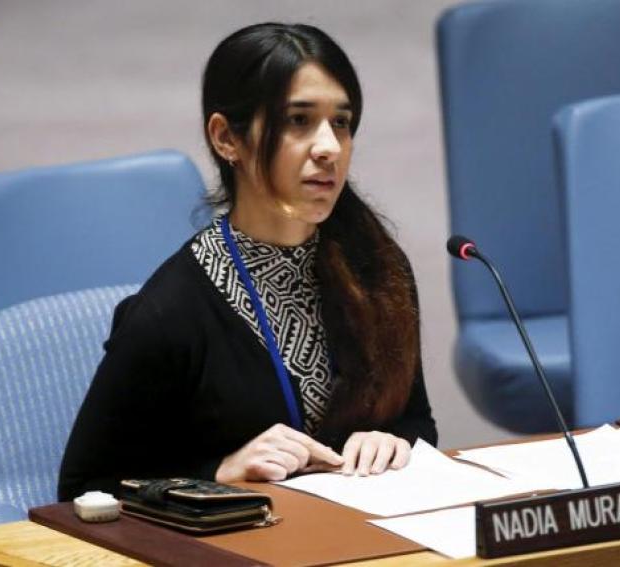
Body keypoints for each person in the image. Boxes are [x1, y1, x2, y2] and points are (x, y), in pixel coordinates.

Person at [58, 22, 437, 500]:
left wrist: (395, 439)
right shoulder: (171, 311)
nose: (329, 148)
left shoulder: (377, 269)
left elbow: (416, 418)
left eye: (340, 122)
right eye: (298, 120)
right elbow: (81, 491)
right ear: (226, 138)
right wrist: (219, 472)